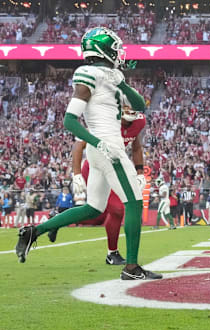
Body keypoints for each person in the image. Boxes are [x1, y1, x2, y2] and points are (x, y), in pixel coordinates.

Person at [14, 27, 161, 280]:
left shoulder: (110, 76)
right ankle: (132, 267)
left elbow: (139, 107)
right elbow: (69, 120)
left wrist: (122, 82)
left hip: (102, 149)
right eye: (114, 48)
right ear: (102, 49)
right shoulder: (88, 73)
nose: (119, 53)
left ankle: (34, 231)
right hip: (107, 147)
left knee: (94, 207)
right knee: (134, 202)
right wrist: (98, 142)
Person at [59, 102, 147, 265]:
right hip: (95, 165)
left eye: (131, 107)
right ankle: (112, 253)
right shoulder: (106, 120)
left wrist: (140, 172)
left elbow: (136, 147)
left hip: (113, 165)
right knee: (116, 209)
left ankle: (57, 220)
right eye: (124, 107)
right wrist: (76, 173)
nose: (128, 111)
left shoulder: (139, 121)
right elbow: (79, 144)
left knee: (101, 212)